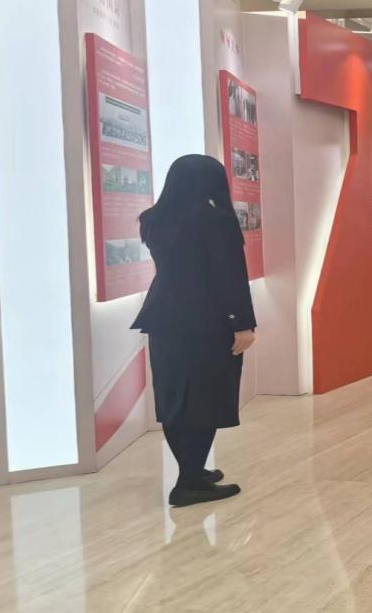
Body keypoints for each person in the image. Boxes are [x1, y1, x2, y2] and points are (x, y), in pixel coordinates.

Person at [132, 154, 256, 508]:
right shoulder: (216, 221)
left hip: (164, 317)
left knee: (176, 398)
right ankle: (188, 482)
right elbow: (229, 276)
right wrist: (242, 322)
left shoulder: (153, 219)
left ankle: (192, 471)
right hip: (207, 320)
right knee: (207, 397)